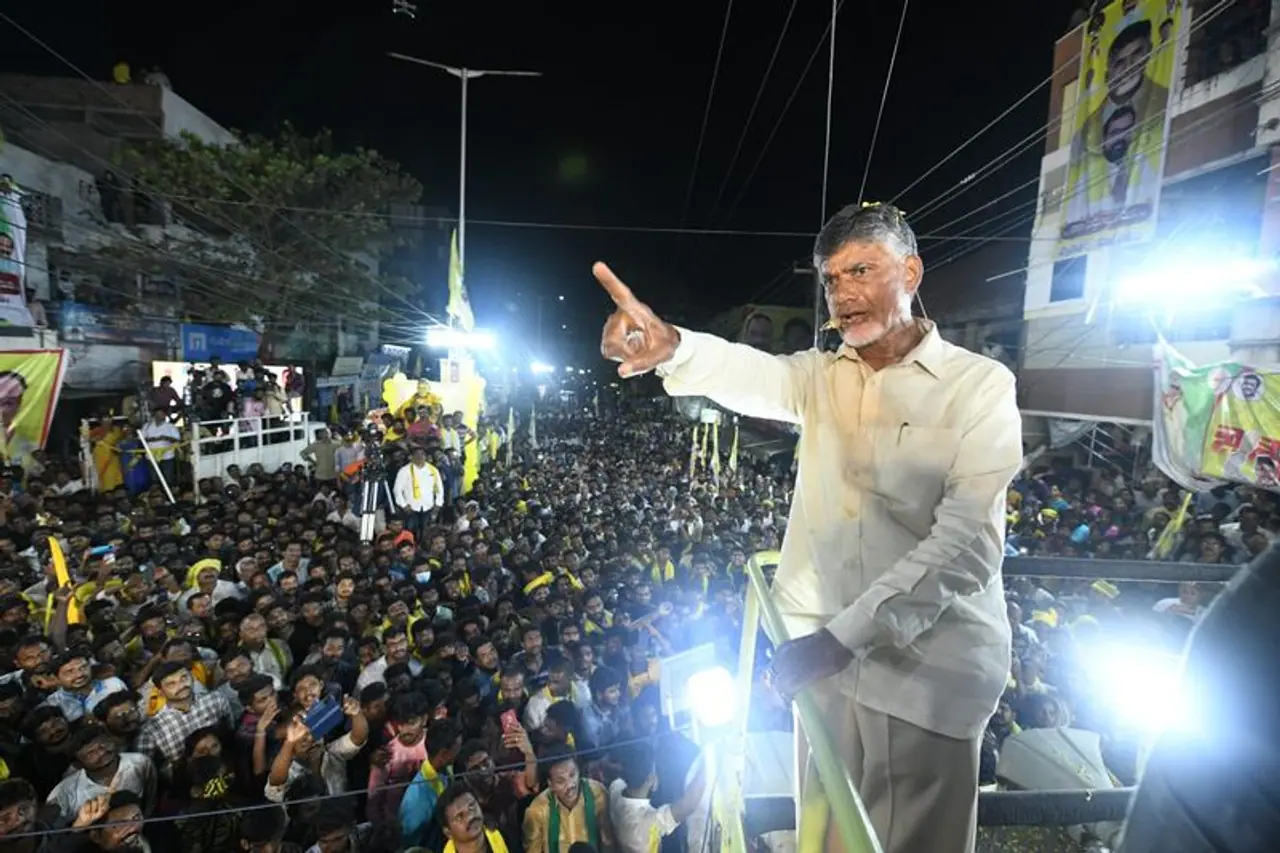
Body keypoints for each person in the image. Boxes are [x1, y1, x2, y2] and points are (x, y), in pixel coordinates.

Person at [594, 201, 1022, 853]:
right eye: (831, 278)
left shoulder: (979, 386)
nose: (842, 293)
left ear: (911, 272)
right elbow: (753, 374)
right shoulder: (821, 378)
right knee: (823, 835)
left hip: (927, 673)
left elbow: (968, 543)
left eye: (861, 270)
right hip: (821, 667)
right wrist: (674, 346)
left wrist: (841, 639)